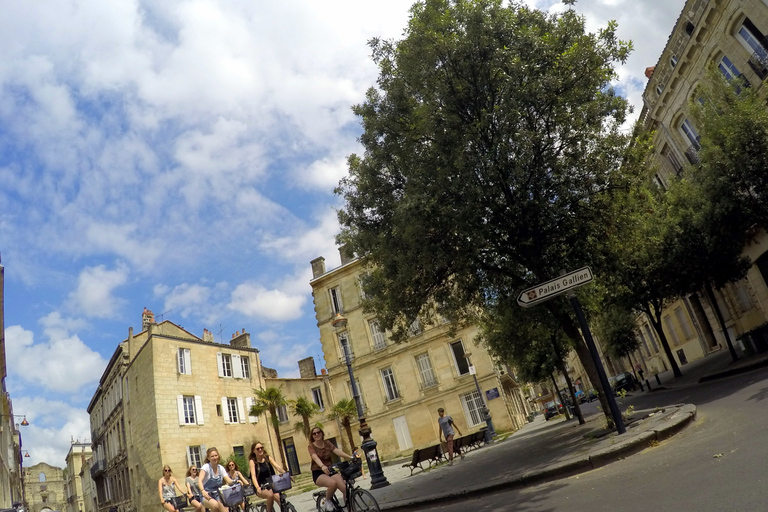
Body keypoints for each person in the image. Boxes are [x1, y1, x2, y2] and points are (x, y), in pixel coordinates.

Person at [308, 427, 353, 512]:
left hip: (329, 470)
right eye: (314, 433)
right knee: (332, 483)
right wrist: (322, 466)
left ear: (322, 433)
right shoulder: (311, 446)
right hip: (318, 472)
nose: (317, 434)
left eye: (318, 432)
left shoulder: (327, 443)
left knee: (345, 489)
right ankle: (327, 501)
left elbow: (337, 451)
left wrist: (350, 457)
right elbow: (315, 457)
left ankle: (350, 509)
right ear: (312, 436)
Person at [248, 442, 289, 512]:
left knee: (279, 498)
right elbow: (253, 476)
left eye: (261, 448)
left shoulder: (267, 458)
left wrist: (286, 474)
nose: (260, 450)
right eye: (258, 449)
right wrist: (257, 487)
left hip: (272, 483)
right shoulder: (252, 461)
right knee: (270, 495)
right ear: (254, 451)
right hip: (260, 486)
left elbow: (278, 467)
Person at [198, 447, 235, 511]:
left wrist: (236, 481)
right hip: (206, 495)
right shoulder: (206, 467)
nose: (215, 458)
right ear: (208, 458)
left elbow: (228, 480)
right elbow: (199, 481)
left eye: (216, 455)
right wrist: (203, 491)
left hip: (218, 494)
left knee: (225, 510)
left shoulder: (221, 468)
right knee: (215, 505)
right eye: (212, 456)